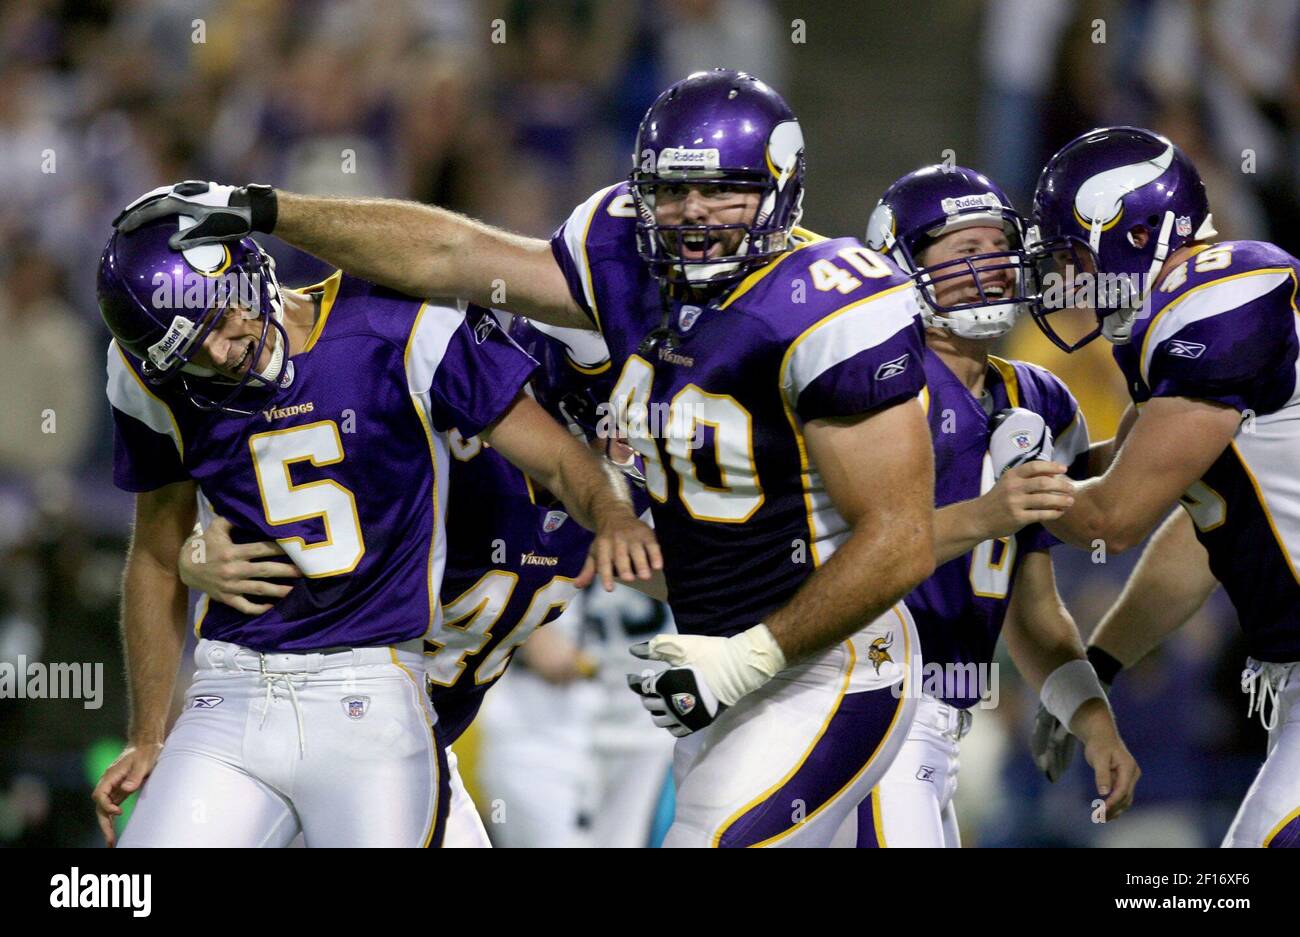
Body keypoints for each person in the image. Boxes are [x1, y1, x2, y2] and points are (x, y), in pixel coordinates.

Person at [115, 68, 939, 847]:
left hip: (824, 656)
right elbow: (457, 258)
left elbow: (901, 535)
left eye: (722, 191)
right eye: (673, 191)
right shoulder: (604, 283)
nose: (693, 214)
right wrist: (194, 556)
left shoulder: (830, 303)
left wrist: (742, 650)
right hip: (695, 664)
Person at [90, 216, 657, 847]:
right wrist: (148, 727)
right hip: (245, 684)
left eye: (221, 321)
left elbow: (589, 485)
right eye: (190, 347)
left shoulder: (403, 337)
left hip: (387, 701)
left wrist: (618, 519)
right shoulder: (161, 380)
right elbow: (161, 552)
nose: (222, 350)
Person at [833, 165, 1138, 848]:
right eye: (965, 252)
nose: (993, 268)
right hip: (860, 703)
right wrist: (990, 512)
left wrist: (1092, 720)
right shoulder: (874, 384)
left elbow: (1031, 606)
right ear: (901, 267)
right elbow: (841, 555)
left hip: (941, 723)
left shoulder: (1039, 399)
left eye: (1000, 247)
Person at [1025, 126, 1300, 848]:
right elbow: (1200, 532)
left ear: (1139, 230)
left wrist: (998, 490)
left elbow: (1113, 517)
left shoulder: (1221, 296)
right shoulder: (1184, 319)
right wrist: (1100, 665)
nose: (1070, 281)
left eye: (1078, 255)